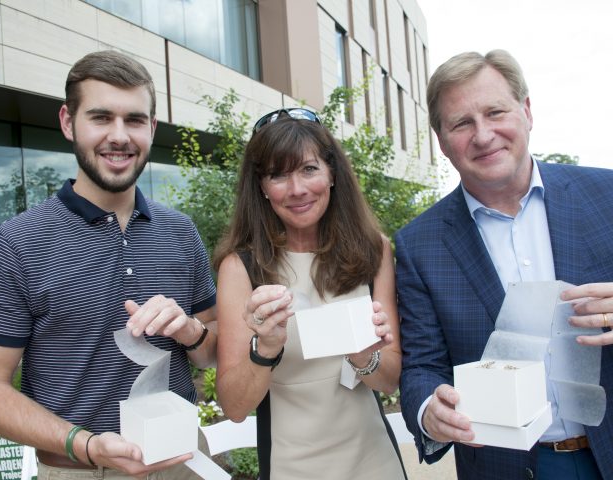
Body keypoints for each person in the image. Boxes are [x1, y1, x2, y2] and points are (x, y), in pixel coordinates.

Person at [0, 50, 217, 479]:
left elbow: (211, 355)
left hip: (184, 461)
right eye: (101, 117)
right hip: (76, 470)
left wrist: (189, 330)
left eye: (135, 120)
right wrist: (84, 445)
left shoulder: (181, 232)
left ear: (152, 128)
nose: (119, 136)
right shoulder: (15, 243)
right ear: (69, 122)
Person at [394, 49, 613, 479]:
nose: (482, 135)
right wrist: (428, 410)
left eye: (495, 112)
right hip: (503, 466)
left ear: (526, 111)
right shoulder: (419, 244)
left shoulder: (606, 196)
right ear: (442, 141)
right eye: (461, 123)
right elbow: (422, 364)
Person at [214, 109, 405, 480]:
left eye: (308, 169)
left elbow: (390, 379)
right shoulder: (241, 269)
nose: (297, 189)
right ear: (261, 188)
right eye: (278, 174)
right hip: (292, 467)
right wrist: (265, 348)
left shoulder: (374, 250)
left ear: (332, 173)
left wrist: (365, 354)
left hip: (375, 462)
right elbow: (234, 407)